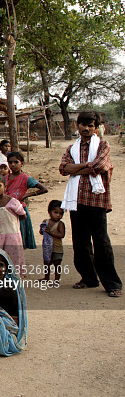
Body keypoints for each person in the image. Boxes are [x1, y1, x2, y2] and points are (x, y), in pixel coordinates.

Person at [59, 111, 122, 297]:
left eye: (90, 125)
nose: (85, 129)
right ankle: (89, 278)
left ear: (96, 127)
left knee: (101, 242)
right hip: (76, 201)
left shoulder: (103, 145)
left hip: (96, 200)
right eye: (82, 125)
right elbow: (63, 168)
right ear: (76, 126)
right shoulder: (71, 148)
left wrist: (77, 168)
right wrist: (87, 166)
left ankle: (112, 284)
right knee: (80, 243)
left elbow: (100, 166)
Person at [6, 151, 48, 250]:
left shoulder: (25, 178)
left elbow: (44, 189)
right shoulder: (5, 178)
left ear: (22, 164)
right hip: (7, 212)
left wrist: (27, 195)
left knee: (19, 241)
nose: (13, 165)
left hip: (20, 212)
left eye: (16, 162)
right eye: (10, 162)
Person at [0, 173, 26, 271]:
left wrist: (13, 224)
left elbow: (23, 215)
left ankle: (14, 280)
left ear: (5, 187)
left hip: (12, 235)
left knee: (13, 260)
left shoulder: (13, 202)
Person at [40, 200, 66, 282]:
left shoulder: (60, 224)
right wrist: (42, 230)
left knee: (57, 264)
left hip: (57, 249)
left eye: (61, 213)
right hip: (47, 248)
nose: (58, 215)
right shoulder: (46, 222)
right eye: (56, 212)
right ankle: (46, 278)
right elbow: (41, 232)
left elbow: (61, 235)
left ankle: (56, 280)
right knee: (47, 263)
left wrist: (51, 233)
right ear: (49, 212)